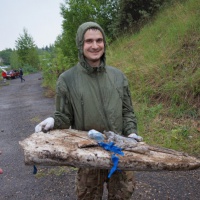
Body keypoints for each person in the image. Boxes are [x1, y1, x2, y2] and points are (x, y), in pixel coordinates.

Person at [35, 22, 143, 200]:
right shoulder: (67, 79)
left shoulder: (118, 77)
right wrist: (53, 121)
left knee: (122, 195)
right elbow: (64, 117)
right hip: (88, 155)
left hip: (120, 152)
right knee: (88, 196)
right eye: (89, 41)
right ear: (80, 44)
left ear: (104, 43)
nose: (95, 46)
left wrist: (131, 134)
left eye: (99, 40)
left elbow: (127, 112)